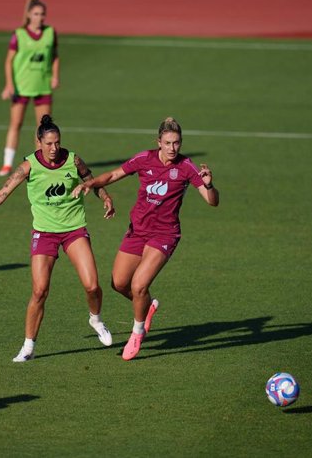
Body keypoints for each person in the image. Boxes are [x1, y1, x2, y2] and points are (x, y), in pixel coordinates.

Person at [0, 115, 115, 362]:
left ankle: (95, 319)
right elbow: (1, 195)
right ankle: (28, 346)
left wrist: (105, 197)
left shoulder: (73, 160)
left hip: (74, 229)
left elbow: (91, 181)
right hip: (44, 233)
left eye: (57, 143)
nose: (54, 149)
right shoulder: (28, 166)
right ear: (39, 142)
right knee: (40, 291)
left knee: (92, 285)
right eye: (49, 144)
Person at [72, 117, 219, 361]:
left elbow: (212, 201)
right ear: (158, 142)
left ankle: (137, 333)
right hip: (137, 230)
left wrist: (209, 184)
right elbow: (113, 175)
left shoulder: (186, 167)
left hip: (165, 234)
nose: (173, 148)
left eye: (177, 143)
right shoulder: (144, 159)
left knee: (139, 284)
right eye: (168, 143)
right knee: (119, 283)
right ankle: (146, 305)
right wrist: (91, 184)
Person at [0, 0, 60, 177]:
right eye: (35, 14)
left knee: (42, 127)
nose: (39, 18)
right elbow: (9, 61)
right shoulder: (19, 34)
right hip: (22, 86)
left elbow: (55, 56)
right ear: (28, 14)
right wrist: (9, 84)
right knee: (16, 123)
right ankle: (7, 164)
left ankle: (41, 162)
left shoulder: (50, 33)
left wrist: (55, 76)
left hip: (42, 84)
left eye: (42, 14)